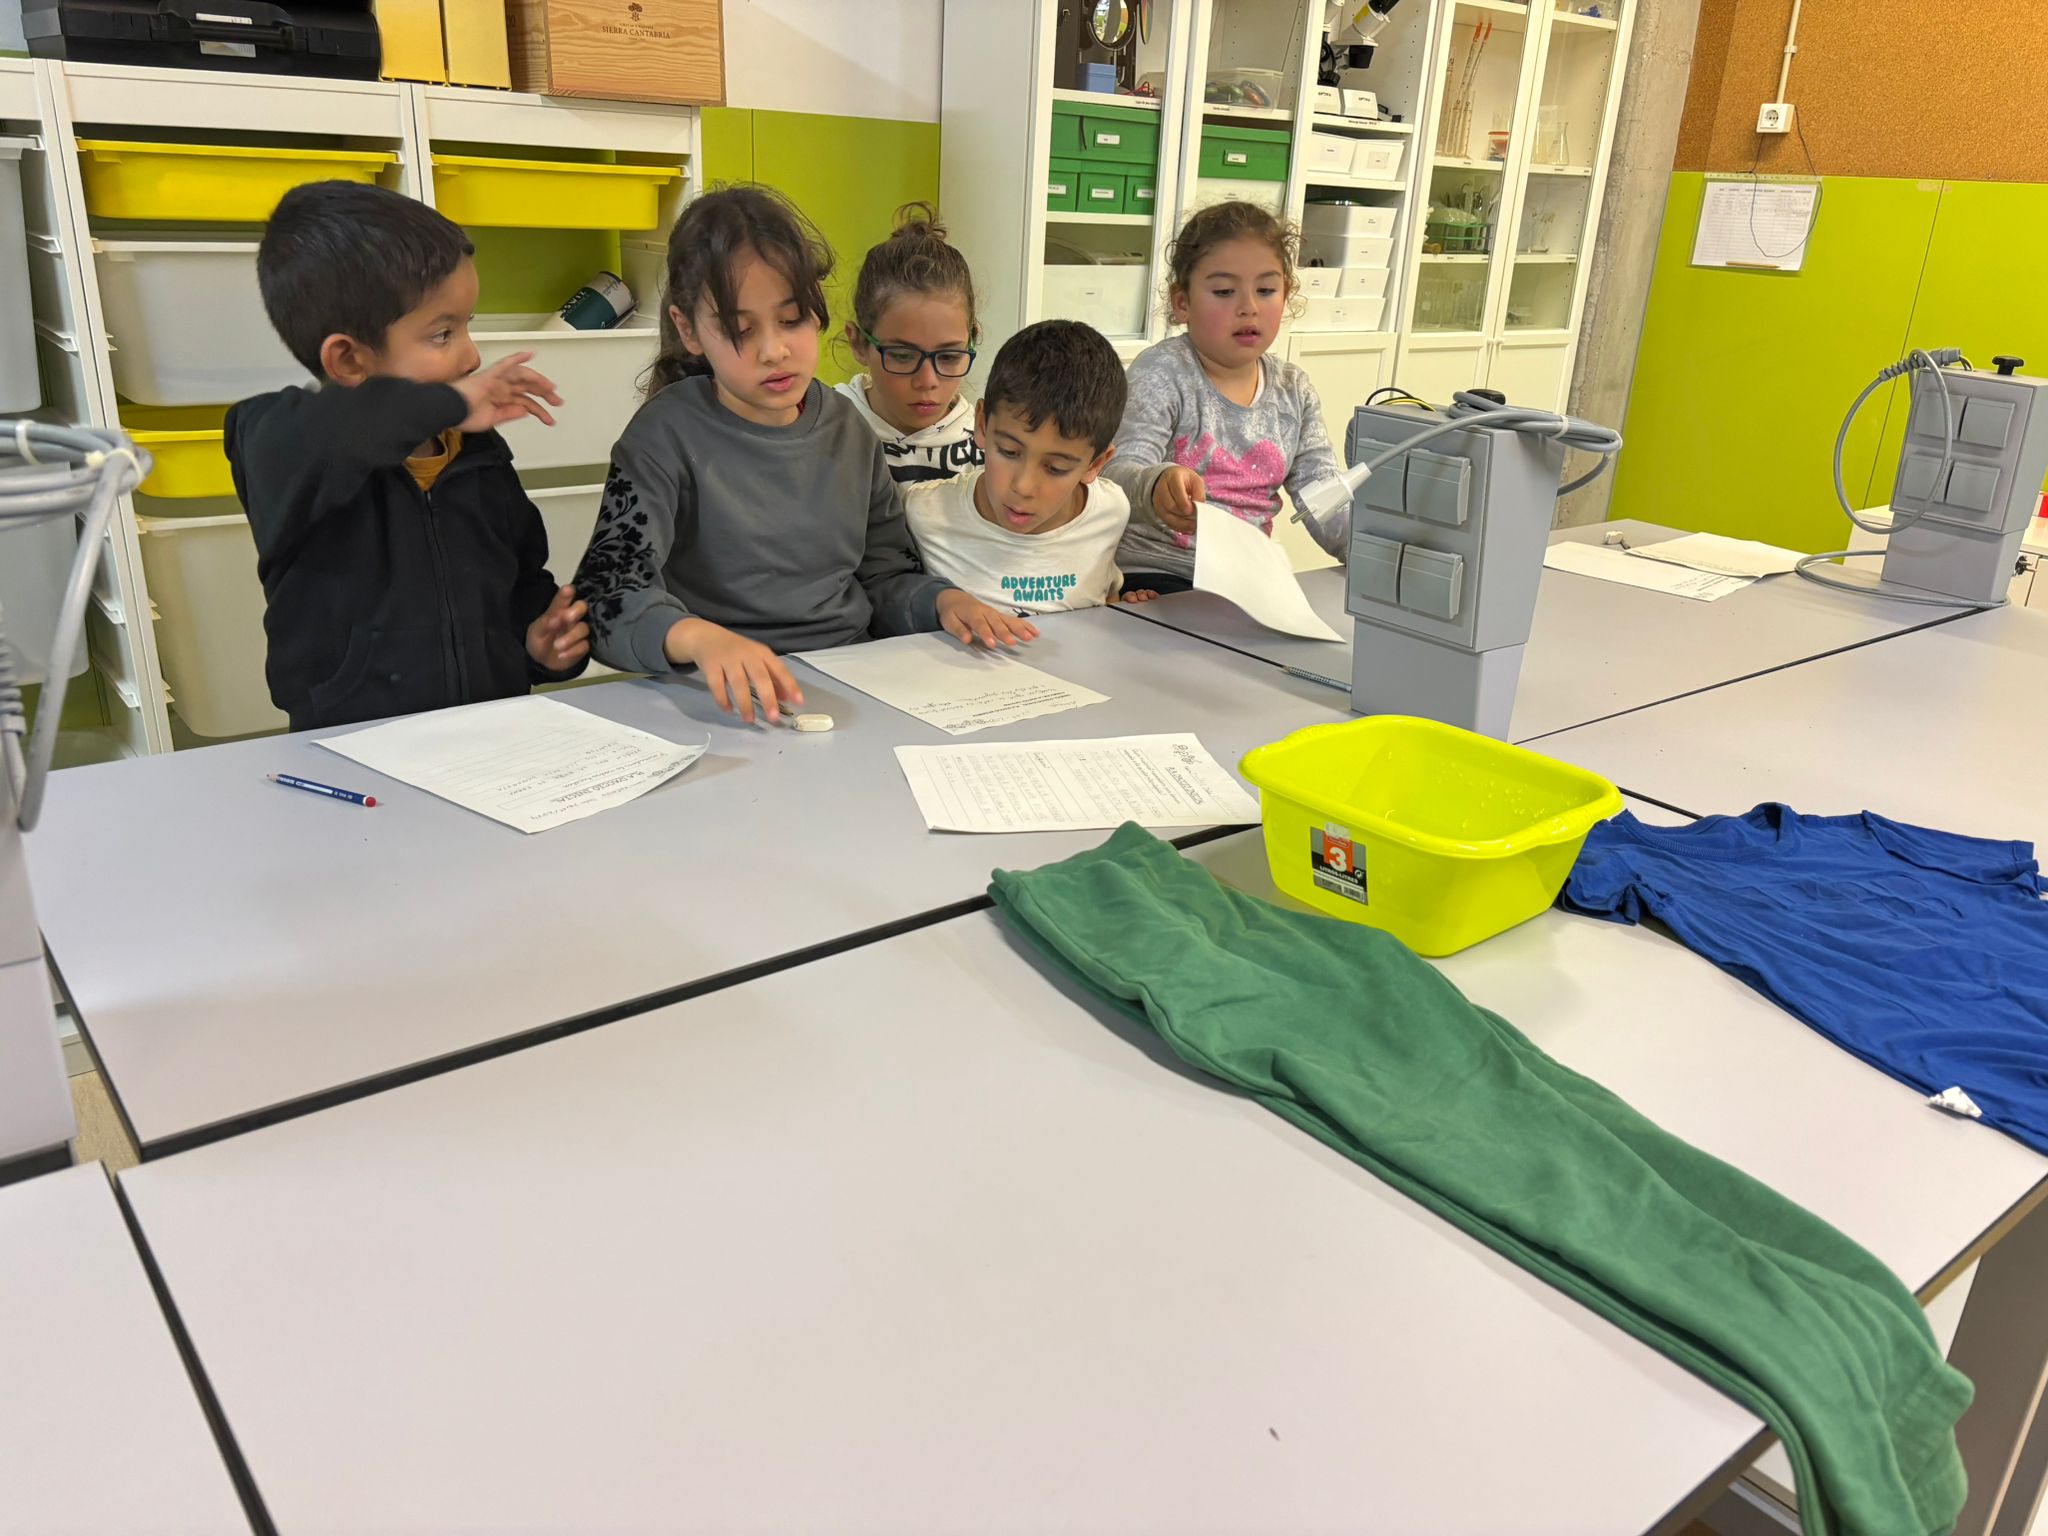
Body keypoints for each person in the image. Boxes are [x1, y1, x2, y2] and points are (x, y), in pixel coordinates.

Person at [574, 185, 1034, 724]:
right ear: (688, 329)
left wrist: (941, 601)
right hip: (717, 697)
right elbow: (605, 596)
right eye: (740, 329)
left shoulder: (849, 430)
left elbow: (885, 576)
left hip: (853, 682)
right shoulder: (663, 435)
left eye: (791, 319)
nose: (774, 351)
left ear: (816, 313)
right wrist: (697, 639)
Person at [227, 181, 589, 733]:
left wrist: (539, 647)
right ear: (349, 360)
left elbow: (518, 580)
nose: (472, 356)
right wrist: (449, 401)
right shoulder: (281, 445)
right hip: (353, 747)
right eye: (442, 334)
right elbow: (331, 428)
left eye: (467, 325)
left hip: (492, 735)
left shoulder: (479, 456)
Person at [1106, 200, 1349, 593]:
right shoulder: (1162, 373)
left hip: (1247, 581)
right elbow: (1116, 475)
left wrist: (1379, 555)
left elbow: (1324, 497)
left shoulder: (1294, 390)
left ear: (1286, 295)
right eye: (1223, 291)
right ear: (1182, 302)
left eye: (1266, 290)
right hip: (1158, 573)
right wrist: (1155, 484)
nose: (1248, 307)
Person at [904, 319, 1147, 613]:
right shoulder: (924, 511)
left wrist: (1134, 614)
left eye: (1056, 468)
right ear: (981, 424)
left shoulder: (1110, 511)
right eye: (1009, 452)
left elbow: (1106, 597)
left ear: (1095, 464)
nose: (1023, 486)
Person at [838, 202, 984, 486]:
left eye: (949, 356)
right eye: (903, 356)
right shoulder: (823, 425)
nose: (927, 381)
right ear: (858, 343)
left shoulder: (989, 446)